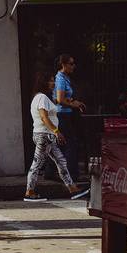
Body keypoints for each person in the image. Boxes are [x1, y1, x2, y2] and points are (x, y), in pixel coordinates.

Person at [24, 71, 89, 202]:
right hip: (44, 136)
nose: (53, 83)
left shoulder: (43, 98)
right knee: (37, 164)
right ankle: (29, 192)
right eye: (51, 80)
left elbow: (58, 101)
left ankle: (73, 189)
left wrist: (72, 102)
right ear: (44, 83)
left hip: (47, 136)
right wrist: (56, 131)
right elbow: (44, 117)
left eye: (53, 80)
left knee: (61, 162)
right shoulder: (41, 97)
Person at [54, 53, 86, 182]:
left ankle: (52, 171)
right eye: (71, 64)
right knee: (71, 143)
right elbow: (60, 99)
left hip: (66, 113)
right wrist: (73, 104)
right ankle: (72, 174)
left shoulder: (65, 78)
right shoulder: (61, 79)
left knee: (61, 143)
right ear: (64, 65)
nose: (73, 66)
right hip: (63, 114)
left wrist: (74, 102)